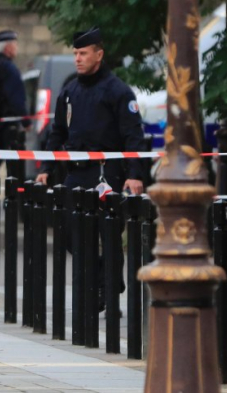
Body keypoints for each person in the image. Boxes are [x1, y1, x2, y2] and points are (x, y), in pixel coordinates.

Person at [35, 27, 145, 310]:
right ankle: (103, 277)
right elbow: (56, 132)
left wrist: (134, 175)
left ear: (99, 54)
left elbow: (133, 136)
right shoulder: (70, 90)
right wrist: (46, 166)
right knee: (70, 232)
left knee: (108, 233)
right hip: (77, 172)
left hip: (107, 173)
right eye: (75, 54)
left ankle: (105, 290)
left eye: (83, 53)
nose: (78, 59)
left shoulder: (118, 91)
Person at [0, 30, 31, 180]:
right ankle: (14, 194)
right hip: (7, 123)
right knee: (12, 160)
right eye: (15, 45)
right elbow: (16, 98)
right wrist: (26, 121)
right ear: (8, 48)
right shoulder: (9, 68)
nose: (16, 48)